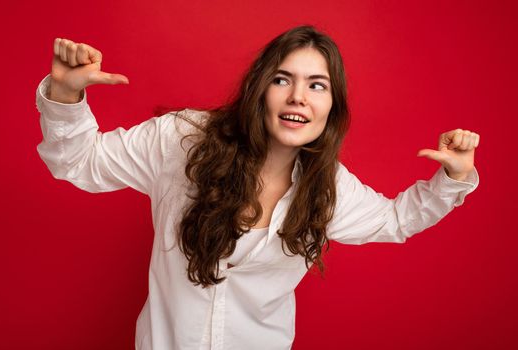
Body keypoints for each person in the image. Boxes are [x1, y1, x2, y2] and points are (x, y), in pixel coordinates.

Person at [36, 25, 480, 350]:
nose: (298, 97)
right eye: (282, 79)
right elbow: (78, 161)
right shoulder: (182, 141)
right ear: (258, 87)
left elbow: (397, 220)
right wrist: (64, 92)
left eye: (317, 85)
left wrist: (453, 177)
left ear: (332, 106)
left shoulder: (328, 190)